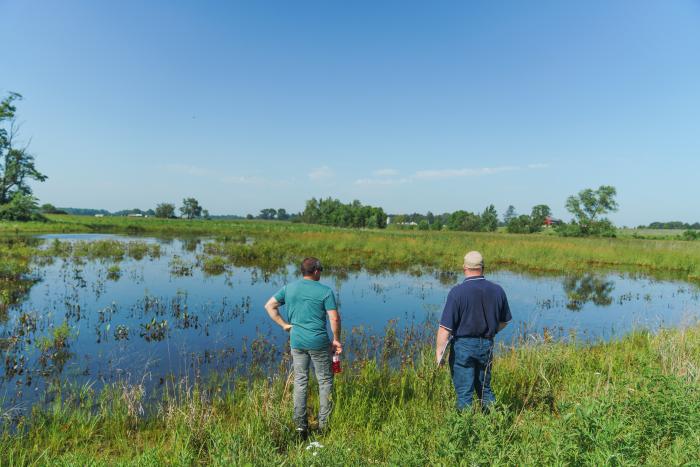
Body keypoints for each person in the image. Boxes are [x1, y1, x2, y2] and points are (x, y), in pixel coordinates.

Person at [264, 257, 342, 438]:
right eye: (320, 270)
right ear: (315, 271)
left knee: (300, 381)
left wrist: (284, 325)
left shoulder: (289, 288)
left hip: (297, 340)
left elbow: (270, 306)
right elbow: (335, 318)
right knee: (324, 381)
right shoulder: (325, 291)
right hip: (318, 341)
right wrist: (336, 339)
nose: (321, 272)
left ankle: (300, 427)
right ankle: (324, 426)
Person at [435, 251, 511, 411]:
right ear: (483, 268)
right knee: (485, 390)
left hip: (463, 347)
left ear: (464, 268)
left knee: (464, 394)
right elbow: (504, 321)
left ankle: (465, 431)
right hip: (486, 345)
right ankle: (494, 426)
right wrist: (490, 332)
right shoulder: (498, 290)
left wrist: (439, 355)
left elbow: (445, 329)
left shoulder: (457, 292)